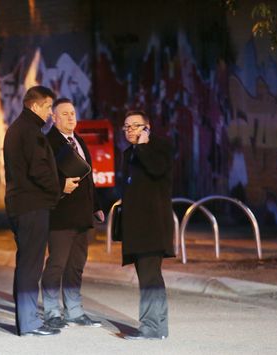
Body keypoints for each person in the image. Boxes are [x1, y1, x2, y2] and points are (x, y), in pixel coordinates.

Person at [41, 98, 104, 329]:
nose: (70, 117)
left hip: (82, 214)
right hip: (59, 215)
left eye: (73, 113)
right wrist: (60, 185)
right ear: (54, 118)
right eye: (65, 114)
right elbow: (39, 177)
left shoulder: (79, 141)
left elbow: (89, 180)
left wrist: (96, 206)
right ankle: (51, 311)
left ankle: (74, 311)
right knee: (57, 263)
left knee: (76, 264)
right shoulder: (46, 143)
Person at [3, 86, 61, 336]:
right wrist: (57, 189)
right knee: (31, 264)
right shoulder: (31, 132)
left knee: (25, 262)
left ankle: (26, 319)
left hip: (19, 204)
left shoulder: (17, 128)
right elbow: (39, 170)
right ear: (35, 106)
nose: (50, 113)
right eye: (48, 107)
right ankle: (29, 322)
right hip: (32, 205)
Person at [119, 110, 174, 340]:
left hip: (153, 225)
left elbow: (156, 169)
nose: (130, 130)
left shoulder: (160, 147)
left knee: (150, 276)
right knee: (150, 276)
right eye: (126, 127)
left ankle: (150, 326)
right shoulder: (128, 153)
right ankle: (159, 327)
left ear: (147, 127)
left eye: (135, 125)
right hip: (136, 227)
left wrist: (143, 146)